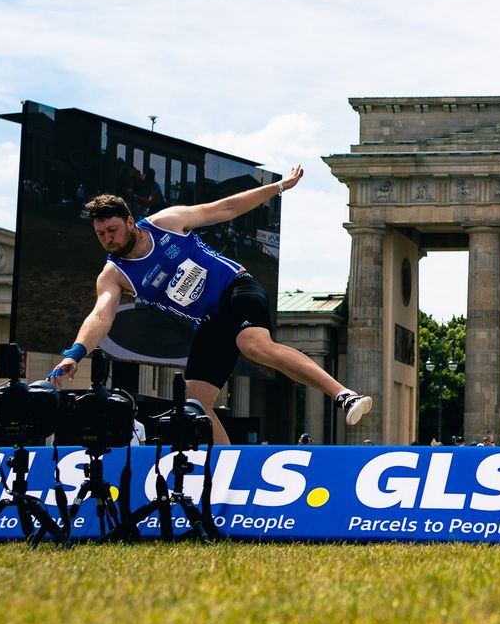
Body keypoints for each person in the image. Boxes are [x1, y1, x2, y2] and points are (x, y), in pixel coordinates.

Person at [56, 168, 370, 444]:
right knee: (195, 405)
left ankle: (343, 395)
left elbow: (227, 208)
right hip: (211, 319)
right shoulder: (113, 275)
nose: (108, 239)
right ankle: (228, 465)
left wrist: (278, 187)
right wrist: (75, 353)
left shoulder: (165, 222)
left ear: (129, 221)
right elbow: (101, 314)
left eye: (112, 230)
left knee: (253, 345)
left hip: (237, 288)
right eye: (100, 235)